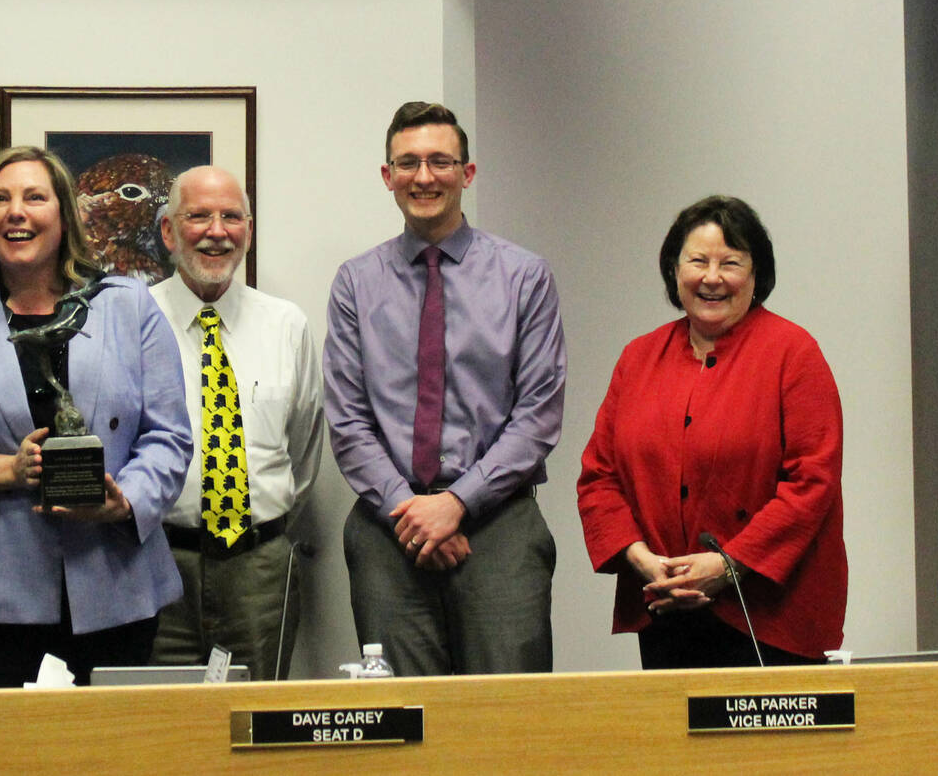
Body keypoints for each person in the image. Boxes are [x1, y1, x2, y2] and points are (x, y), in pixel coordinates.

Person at [0, 146, 192, 687]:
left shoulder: (129, 305)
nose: (16, 211)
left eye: (34, 197)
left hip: (112, 591)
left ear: (64, 213)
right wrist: (1, 470)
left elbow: (169, 437)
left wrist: (125, 502)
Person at [323, 101, 565, 677]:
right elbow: (348, 420)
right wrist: (414, 514)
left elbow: (538, 415)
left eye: (440, 161)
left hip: (498, 525)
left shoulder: (524, 277)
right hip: (390, 527)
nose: (424, 176)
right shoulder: (356, 283)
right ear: (388, 176)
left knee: (509, 725)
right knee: (406, 727)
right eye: (408, 163)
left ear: (467, 173)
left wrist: (456, 504)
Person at [575, 195, 846, 668]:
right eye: (697, 261)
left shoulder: (794, 353)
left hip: (771, 616)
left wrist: (726, 567)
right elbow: (599, 479)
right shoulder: (638, 358)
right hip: (663, 607)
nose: (712, 277)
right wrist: (643, 560)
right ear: (674, 271)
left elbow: (812, 483)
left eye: (731, 263)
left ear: (756, 274)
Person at [148, 166, 323, 680]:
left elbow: (305, 449)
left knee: (254, 728)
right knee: (157, 731)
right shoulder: (133, 320)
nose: (216, 230)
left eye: (231, 217)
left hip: (259, 570)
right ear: (168, 232)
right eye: (198, 216)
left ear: (248, 228)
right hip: (158, 563)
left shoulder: (287, 325)